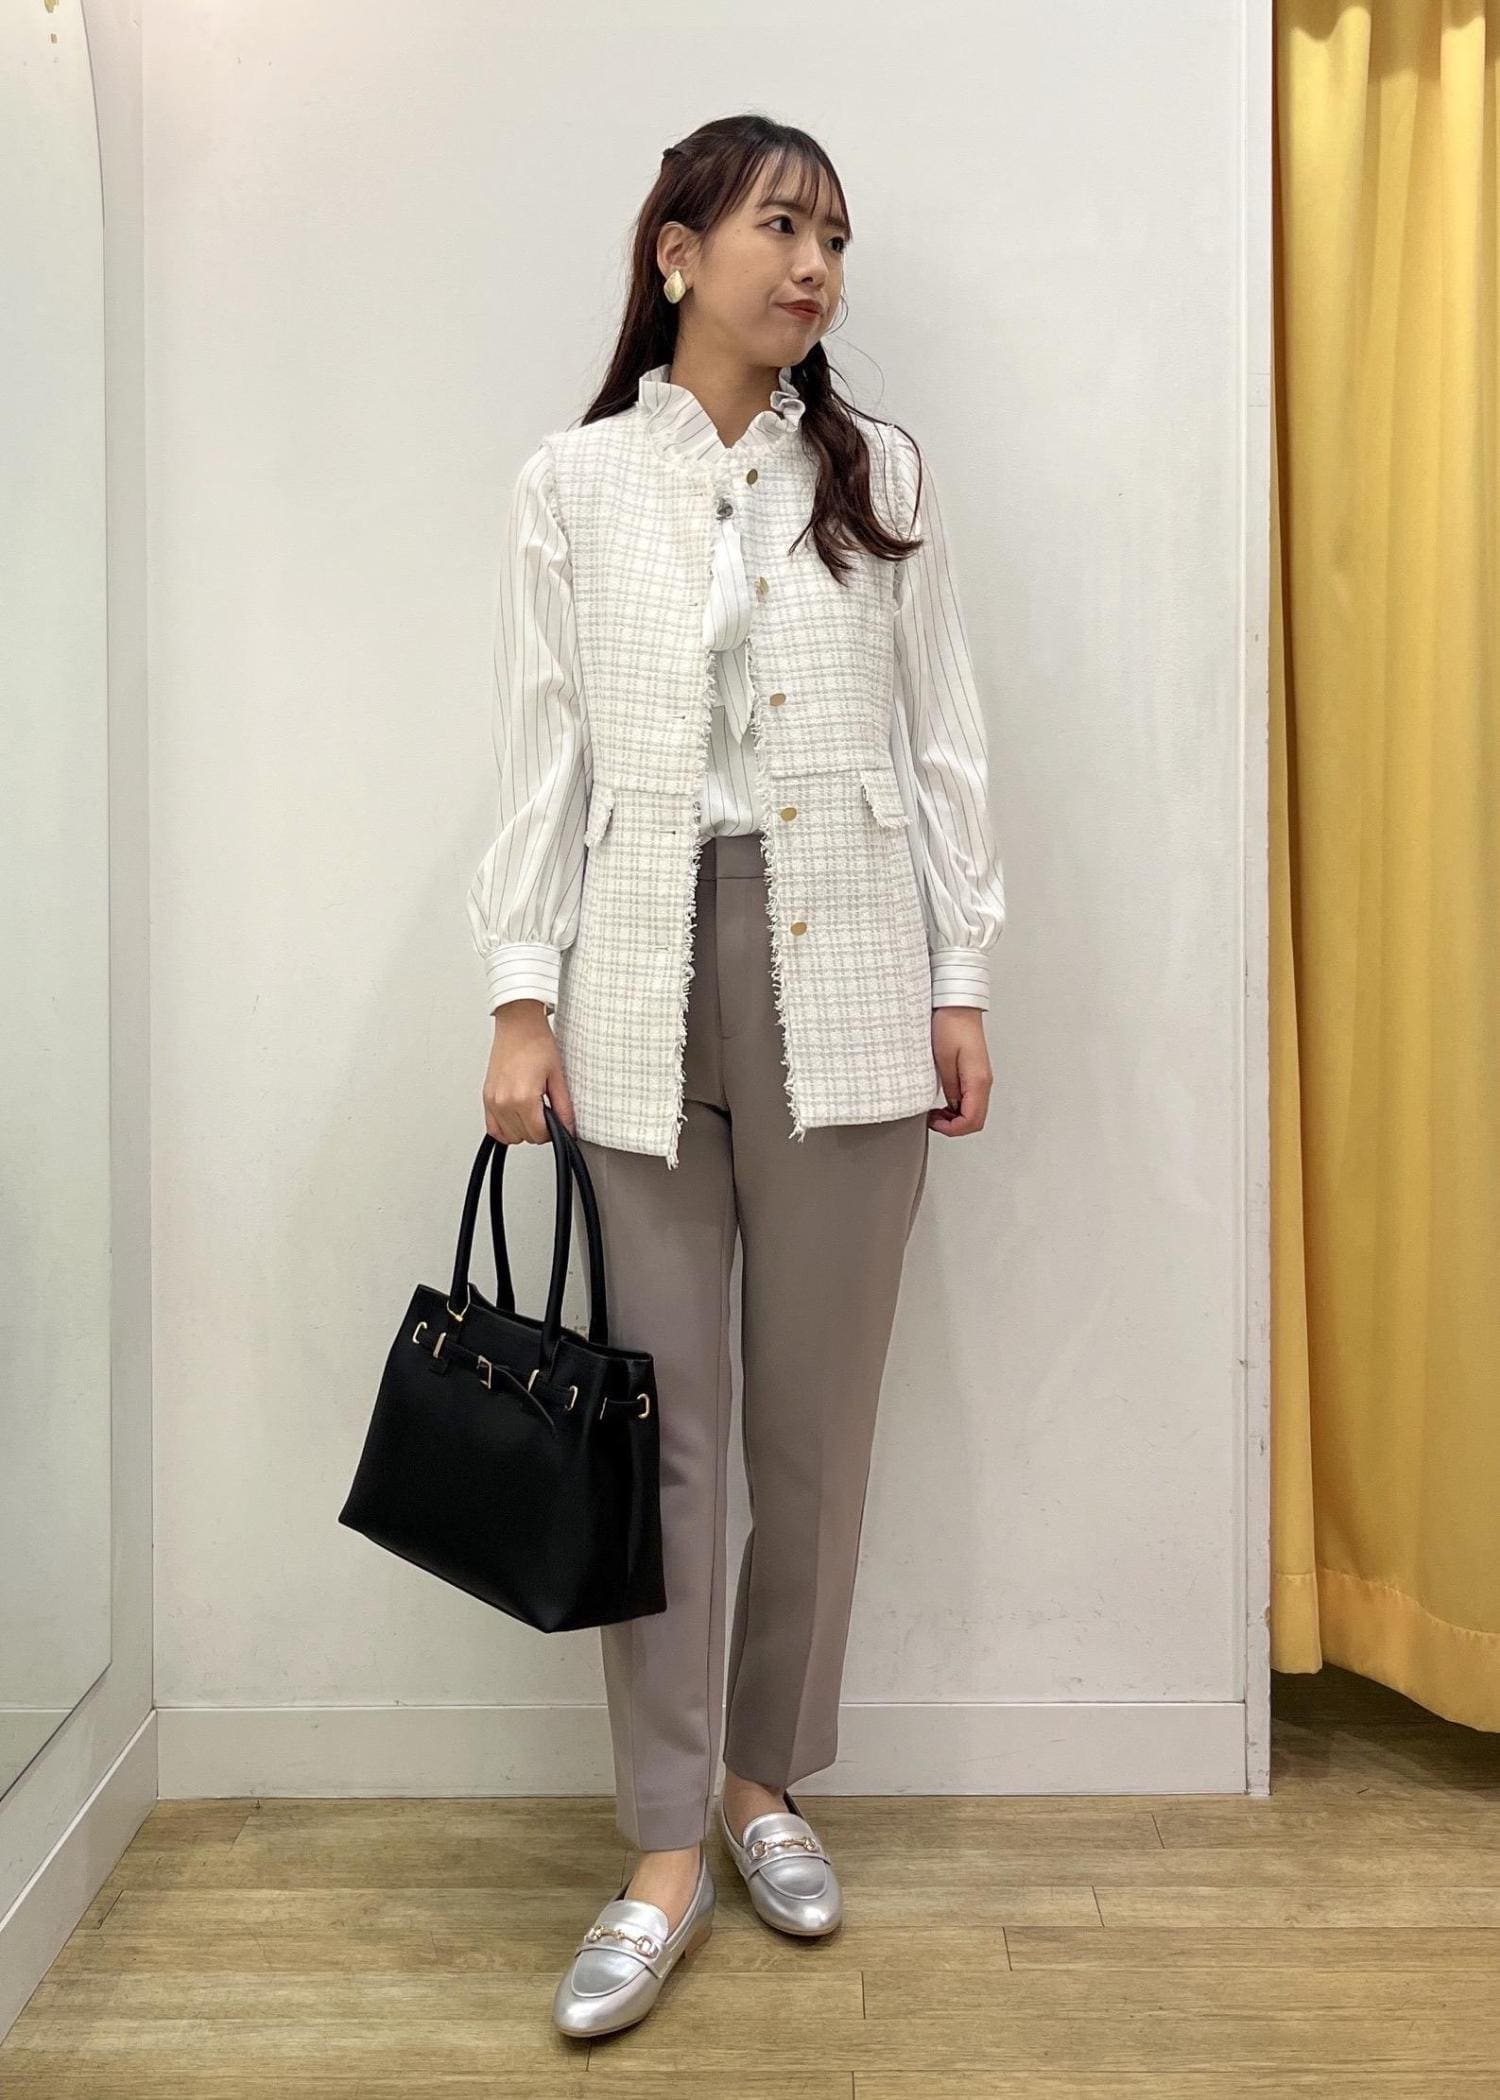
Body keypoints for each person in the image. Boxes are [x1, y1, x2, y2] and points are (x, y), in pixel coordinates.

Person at [465, 113, 1006, 2039]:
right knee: (665, 1435)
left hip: (849, 967)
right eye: (782, 226)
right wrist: (519, 994)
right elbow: (545, 749)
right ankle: (662, 1845)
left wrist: (960, 973)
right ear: (679, 252)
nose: (815, 266)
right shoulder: (574, 483)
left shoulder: (882, 474)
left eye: (835, 237)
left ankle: (767, 1781)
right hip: (630, 976)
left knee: (811, 1433)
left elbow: (943, 742)